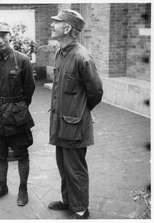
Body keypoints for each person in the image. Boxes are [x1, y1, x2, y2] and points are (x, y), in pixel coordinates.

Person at [48, 9, 103, 219]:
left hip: (75, 125)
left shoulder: (82, 57)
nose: (52, 25)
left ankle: (80, 208)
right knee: (63, 165)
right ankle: (68, 201)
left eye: (56, 22)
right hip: (60, 122)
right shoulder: (60, 52)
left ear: (68, 28)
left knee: (75, 169)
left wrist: (84, 110)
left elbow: (96, 91)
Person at [0, 22, 35, 206]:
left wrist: (17, 106)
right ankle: (2, 186)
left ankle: (23, 189)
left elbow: (29, 89)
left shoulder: (22, 60)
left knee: (21, 153)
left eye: (3, 35)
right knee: (0, 154)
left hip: (16, 115)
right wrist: (0, 104)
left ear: (10, 36)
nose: (0, 40)